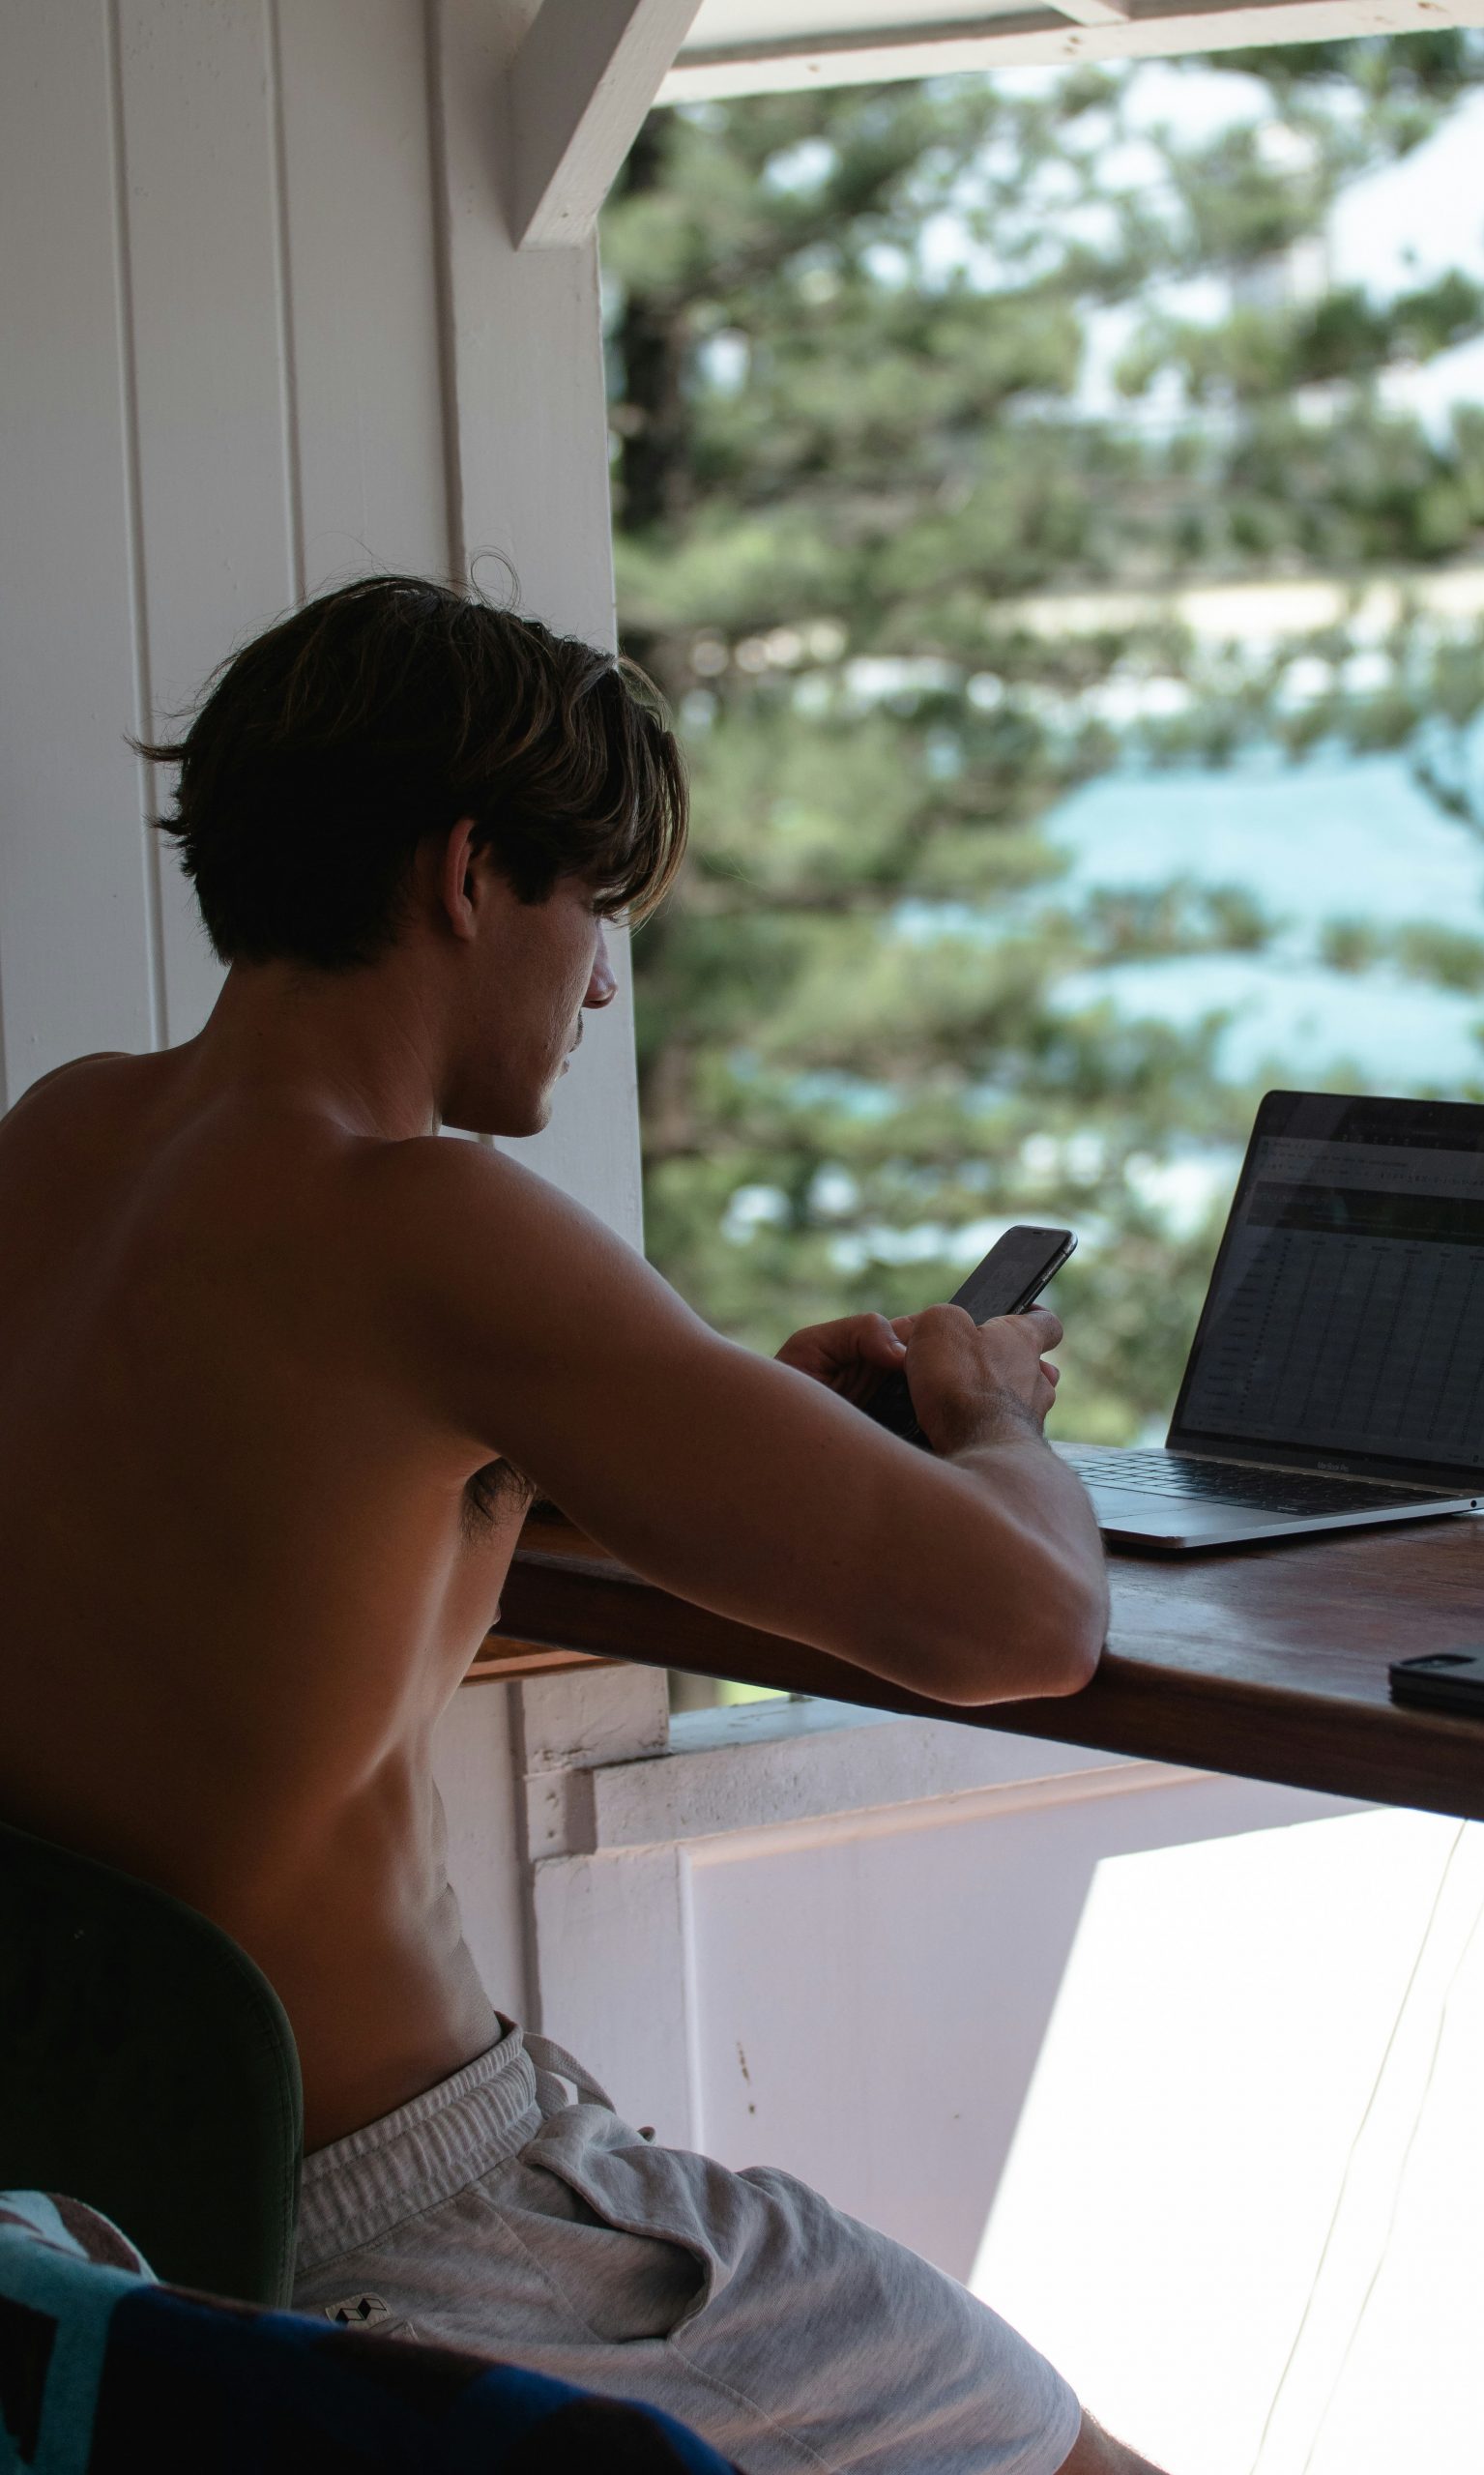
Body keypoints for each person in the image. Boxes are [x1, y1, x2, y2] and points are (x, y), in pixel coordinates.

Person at [0, 577, 1163, 2474]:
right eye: (595, 909)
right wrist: (988, 1414)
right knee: (1070, 2454)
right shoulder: (419, 1219)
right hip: (394, 2229)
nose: (604, 985)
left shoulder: (59, 1141)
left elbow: (273, 1489)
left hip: (79, 2204)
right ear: (470, 874)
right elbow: (1027, 1623)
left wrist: (703, 1427)